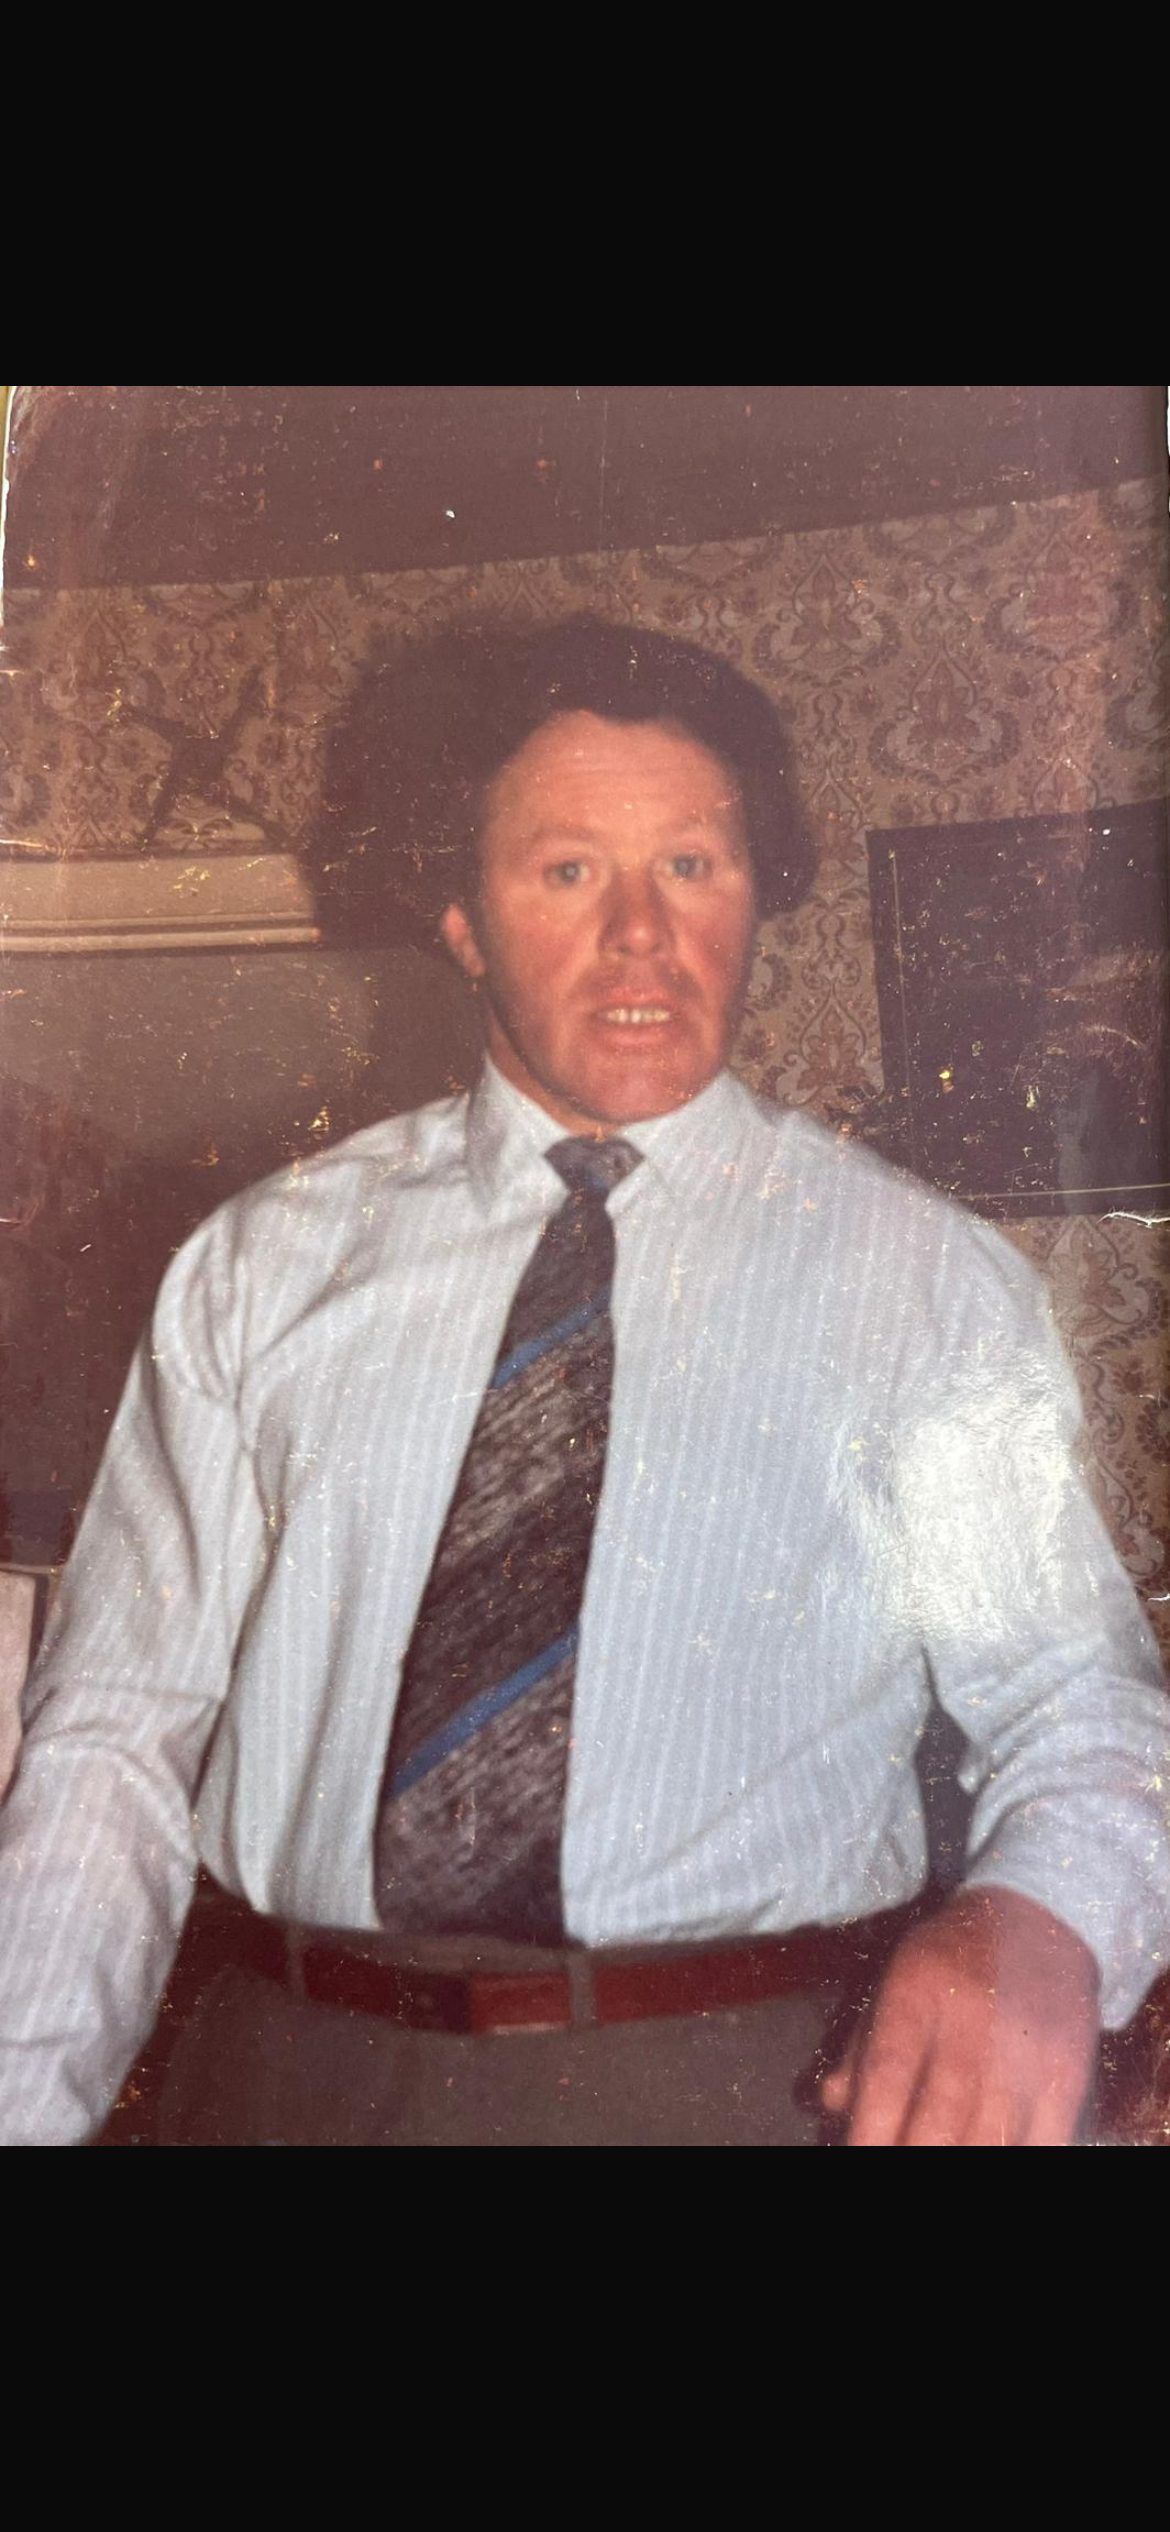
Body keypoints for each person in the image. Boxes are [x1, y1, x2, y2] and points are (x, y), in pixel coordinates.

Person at [0, 616, 1167, 2147]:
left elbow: (1076, 1709)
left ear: (755, 897)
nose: (638, 933)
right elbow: (111, 1738)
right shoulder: (260, 1266)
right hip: (292, 2077)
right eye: (566, 871)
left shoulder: (920, 1286)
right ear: (461, 920)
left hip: (733, 2086)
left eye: (690, 864)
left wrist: (1038, 1916)